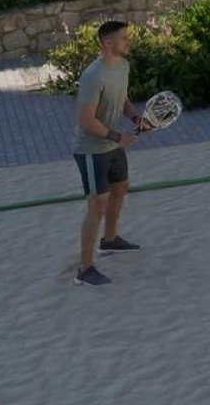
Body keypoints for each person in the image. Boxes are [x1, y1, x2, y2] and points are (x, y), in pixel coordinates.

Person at [72, 20, 150, 287]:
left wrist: (136, 118)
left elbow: (123, 100)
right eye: (123, 38)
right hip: (91, 149)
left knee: (121, 187)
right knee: (97, 205)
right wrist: (119, 137)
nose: (128, 41)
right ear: (108, 43)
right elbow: (86, 119)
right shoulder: (93, 76)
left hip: (112, 145)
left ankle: (110, 240)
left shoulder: (123, 66)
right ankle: (85, 269)